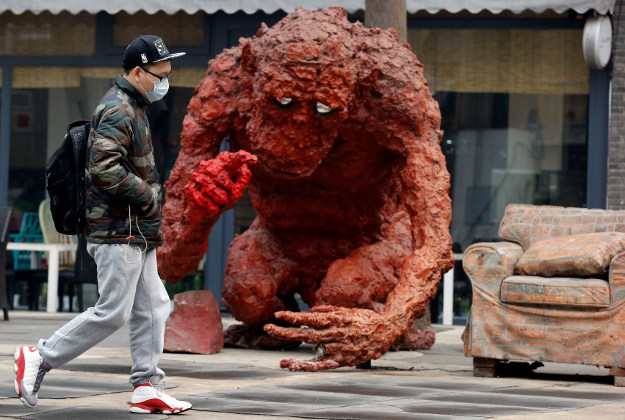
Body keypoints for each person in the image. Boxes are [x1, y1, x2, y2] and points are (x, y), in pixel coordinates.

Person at [13, 35, 191, 415]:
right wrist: (148, 195)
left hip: (135, 231)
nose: (166, 80)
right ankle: (39, 356)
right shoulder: (117, 108)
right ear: (139, 72)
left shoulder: (135, 106)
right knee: (113, 310)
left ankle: (146, 387)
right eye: (161, 73)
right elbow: (103, 169)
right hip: (117, 231)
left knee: (155, 306)